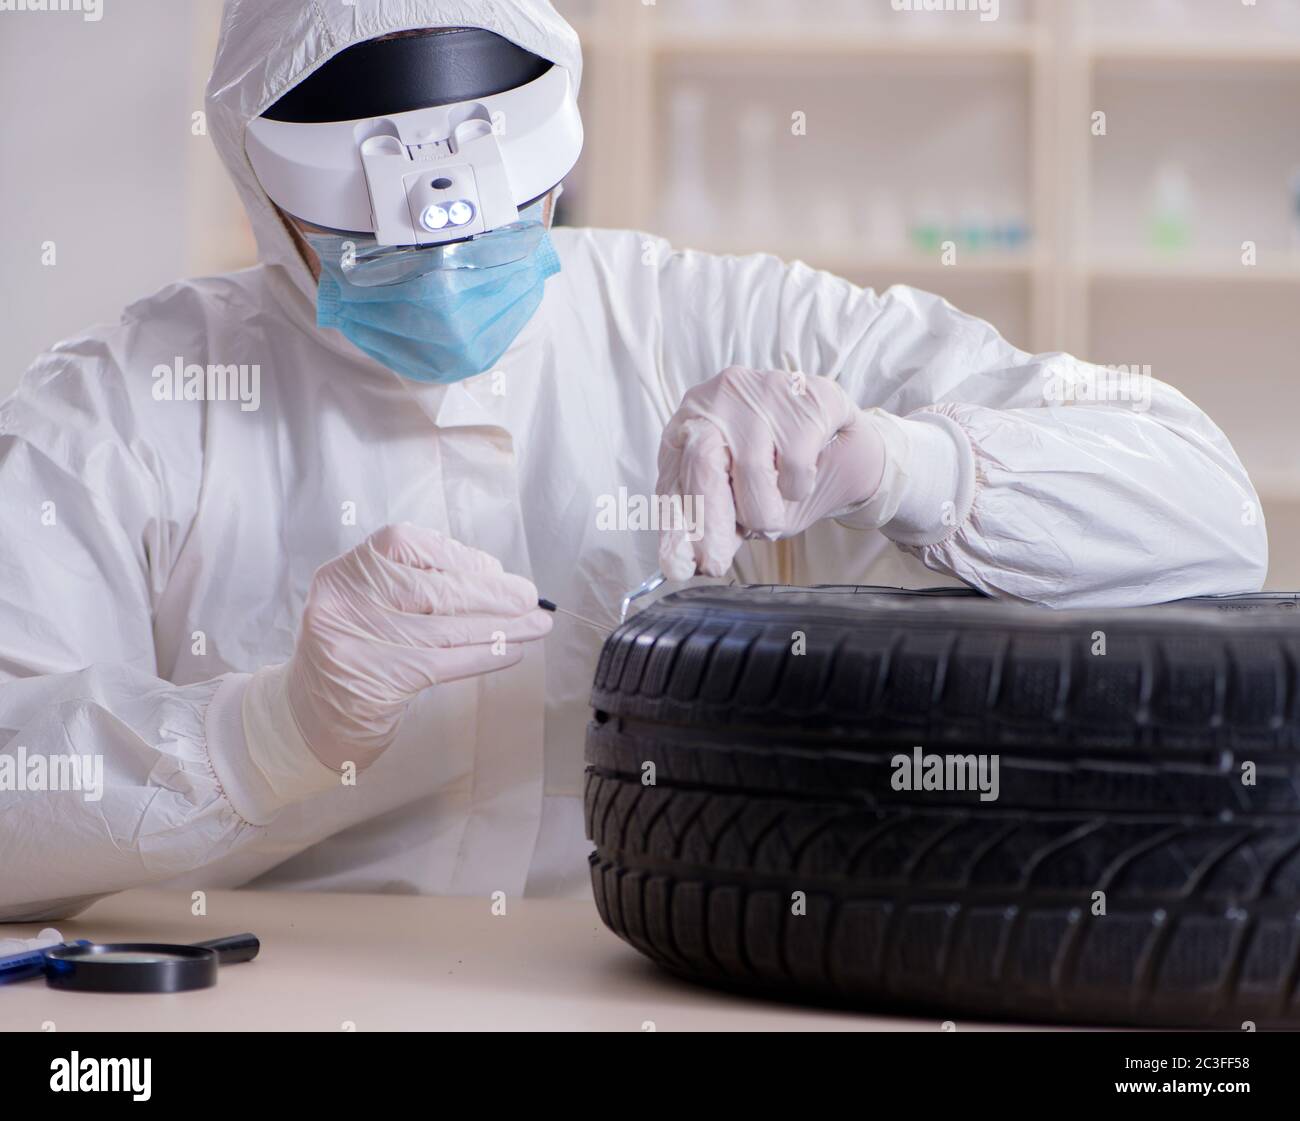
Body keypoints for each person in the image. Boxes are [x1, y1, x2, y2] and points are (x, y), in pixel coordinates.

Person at [0, 0, 1265, 922]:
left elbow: (1205, 509)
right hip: (266, 989)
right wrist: (267, 730)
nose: (449, 277)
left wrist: (899, 462)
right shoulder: (131, 404)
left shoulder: (718, 322)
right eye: (383, 250)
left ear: (554, 173)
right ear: (264, 203)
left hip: (659, 983)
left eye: (493, 233)